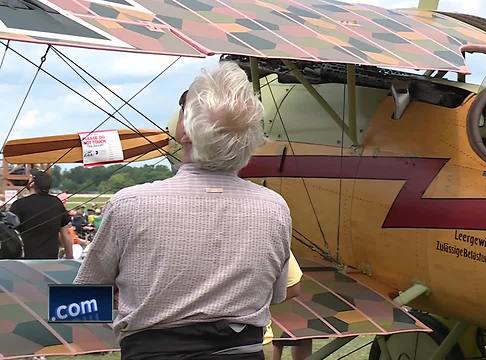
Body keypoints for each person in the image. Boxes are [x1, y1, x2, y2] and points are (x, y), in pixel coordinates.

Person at [74, 61, 291, 360]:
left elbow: (82, 298)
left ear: (186, 131)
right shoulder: (275, 208)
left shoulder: (130, 203)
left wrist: (131, 297)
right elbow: (278, 295)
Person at [9, 170, 74, 259]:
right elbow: (65, 233)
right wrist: (70, 256)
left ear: (32, 184)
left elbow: (9, 232)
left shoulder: (19, 205)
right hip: (50, 259)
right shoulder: (56, 203)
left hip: (25, 261)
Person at [263, 251, 312, 360]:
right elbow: (293, 287)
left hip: (219, 337)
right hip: (256, 337)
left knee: (302, 337)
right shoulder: (272, 236)